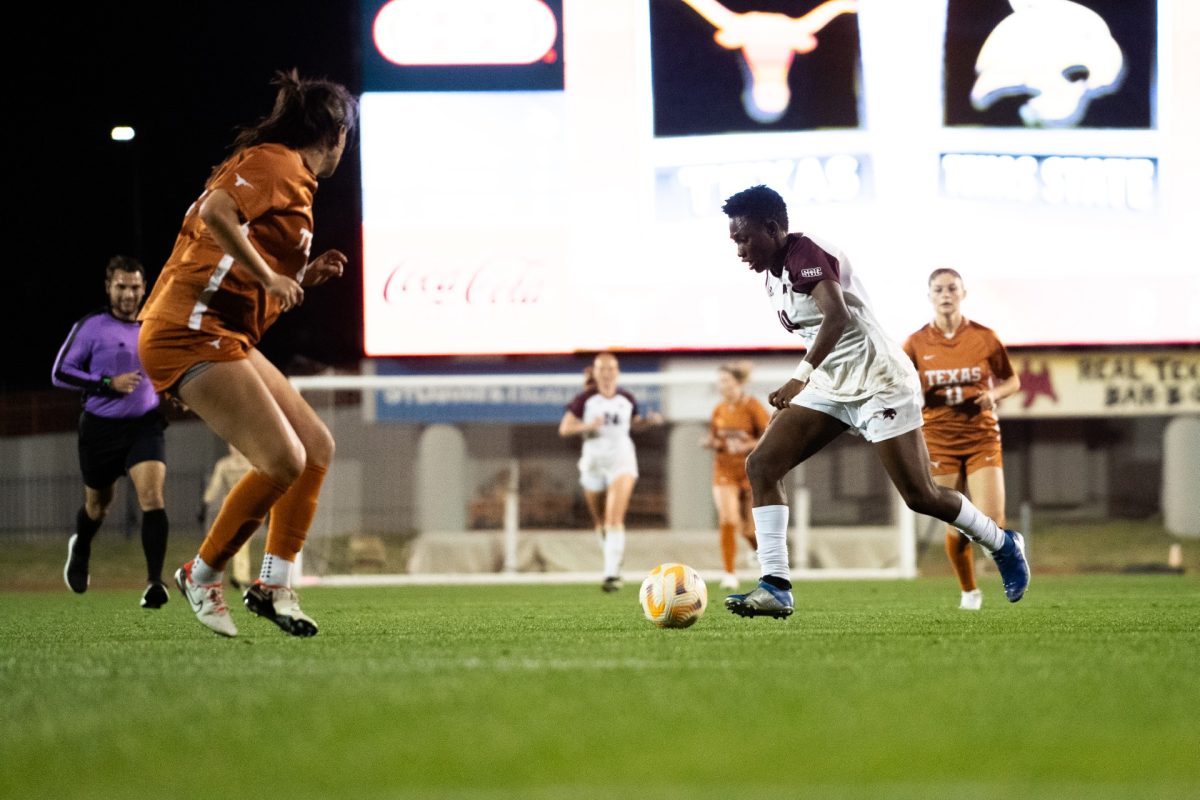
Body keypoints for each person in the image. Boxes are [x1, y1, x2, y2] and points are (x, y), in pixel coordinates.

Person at [718, 185, 1029, 618]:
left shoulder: (804, 254)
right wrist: (812, 379)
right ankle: (776, 585)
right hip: (833, 385)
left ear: (772, 228)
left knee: (920, 495)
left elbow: (838, 315)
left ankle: (1002, 542)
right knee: (762, 464)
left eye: (744, 238)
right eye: (734, 240)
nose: (739, 249)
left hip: (880, 380)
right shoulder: (773, 271)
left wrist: (797, 379)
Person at [137, 69, 357, 638]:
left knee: (314, 447)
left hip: (221, 330)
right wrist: (272, 274)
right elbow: (215, 211)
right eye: (346, 137)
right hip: (186, 328)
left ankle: (273, 583)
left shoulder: (295, 181)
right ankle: (201, 573)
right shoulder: (278, 162)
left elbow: (246, 282)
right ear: (335, 133)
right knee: (282, 460)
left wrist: (303, 276)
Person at [51, 255, 171, 609]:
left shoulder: (156, 324)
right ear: (109, 287)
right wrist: (107, 383)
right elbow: (60, 372)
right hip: (100, 429)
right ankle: (82, 547)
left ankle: (154, 583)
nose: (129, 294)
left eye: (135, 287)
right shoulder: (92, 327)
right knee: (98, 506)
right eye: (121, 286)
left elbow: (170, 364)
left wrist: (178, 392)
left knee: (152, 496)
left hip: (145, 425)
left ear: (144, 288)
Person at [903, 269, 1021, 610]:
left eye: (952, 288)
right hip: (939, 439)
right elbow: (901, 384)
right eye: (938, 289)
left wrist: (994, 395)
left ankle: (1009, 566)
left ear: (963, 293)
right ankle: (969, 591)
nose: (945, 294)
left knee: (992, 524)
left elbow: (1012, 381)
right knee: (956, 522)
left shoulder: (984, 337)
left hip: (981, 436)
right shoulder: (915, 343)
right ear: (930, 296)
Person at [559, 352, 664, 592]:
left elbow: (633, 423)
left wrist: (648, 421)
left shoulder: (626, 398)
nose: (607, 373)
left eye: (611, 368)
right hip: (593, 463)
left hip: (621, 461)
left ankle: (611, 573)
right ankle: (614, 556)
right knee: (599, 522)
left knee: (613, 518)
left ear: (617, 372)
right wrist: (587, 426)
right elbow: (565, 428)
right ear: (595, 373)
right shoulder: (585, 400)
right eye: (602, 369)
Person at [701, 362, 769, 589]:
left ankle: (758, 550)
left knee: (749, 529)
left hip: (750, 472)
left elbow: (769, 437)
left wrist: (747, 444)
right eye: (720, 381)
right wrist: (711, 443)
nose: (723, 386)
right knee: (728, 519)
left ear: (739, 383)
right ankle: (729, 573)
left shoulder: (752, 407)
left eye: (727, 381)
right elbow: (716, 438)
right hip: (724, 471)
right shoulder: (718, 410)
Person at [201, 443, 256, 589]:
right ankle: (237, 577)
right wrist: (206, 503)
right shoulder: (250, 463)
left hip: (234, 504)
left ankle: (239, 577)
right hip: (240, 504)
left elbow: (214, 487)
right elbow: (215, 486)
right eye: (233, 445)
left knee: (238, 541)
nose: (235, 448)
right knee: (235, 541)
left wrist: (206, 503)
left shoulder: (225, 464)